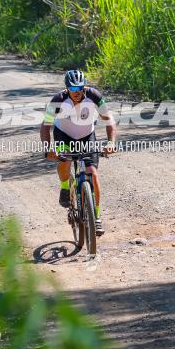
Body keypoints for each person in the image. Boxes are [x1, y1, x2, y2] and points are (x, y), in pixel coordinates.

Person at [41, 69, 117, 235]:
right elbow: (45, 126)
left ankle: (96, 217)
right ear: (67, 88)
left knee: (93, 174)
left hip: (86, 136)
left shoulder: (94, 96)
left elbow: (109, 120)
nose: (77, 92)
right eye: (73, 89)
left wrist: (111, 142)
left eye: (80, 88)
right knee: (65, 161)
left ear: (84, 87)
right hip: (63, 136)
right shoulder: (58, 100)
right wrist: (48, 148)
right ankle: (64, 187)